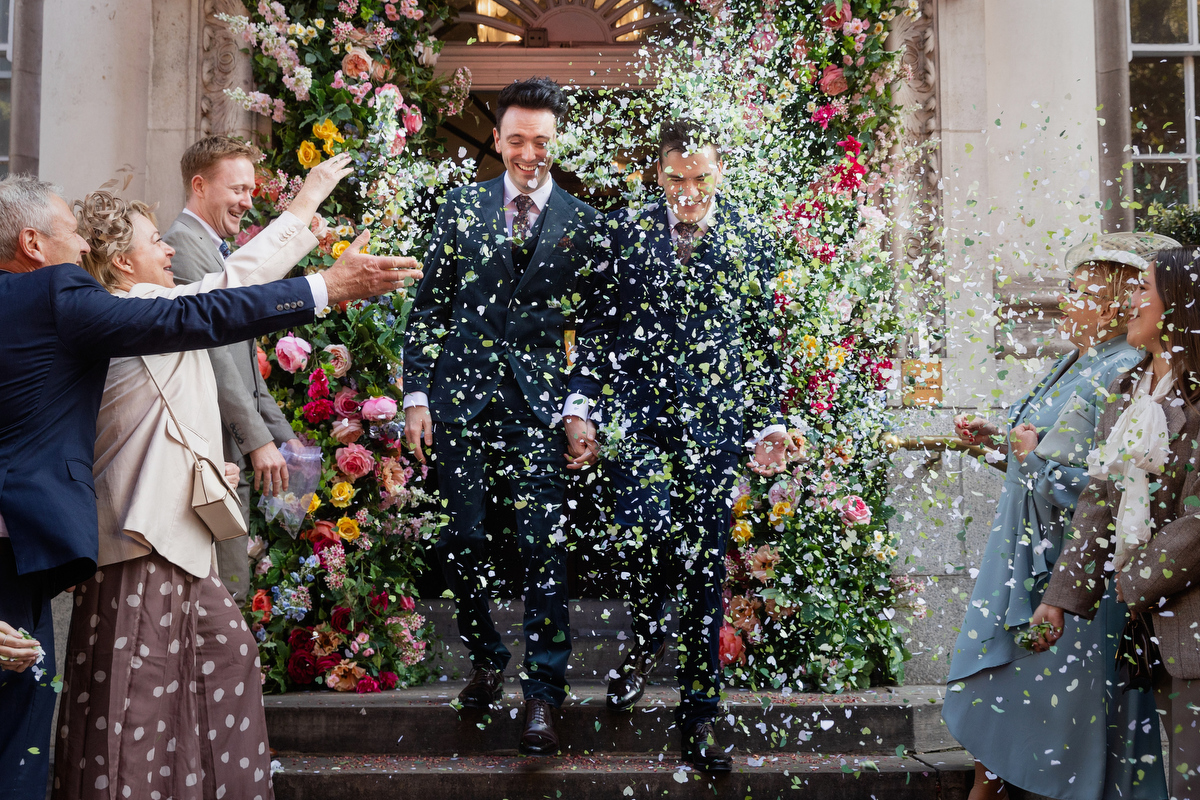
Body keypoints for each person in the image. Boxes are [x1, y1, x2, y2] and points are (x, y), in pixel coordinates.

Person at [0, 173, 417, 800]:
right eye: (72, 235)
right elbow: (217, 299)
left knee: (43, 728)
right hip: (130, 540)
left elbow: (224, 288)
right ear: (34, 243)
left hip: (67, 548)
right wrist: (325, 286)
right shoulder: (77, 300)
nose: (81, 245)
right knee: (93, 721)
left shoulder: (73, 311)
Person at [566, 119, 789, 772]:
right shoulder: (627, 231)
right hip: (639, 428)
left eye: (700, 178)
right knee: (644, 542)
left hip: (715, 431)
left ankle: (698, 719)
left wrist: (768, 423)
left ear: (718, 171)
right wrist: (580, 407)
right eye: (675, 179)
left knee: (702, 569)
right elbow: (598, 326)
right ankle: (642, 642)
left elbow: (762, 338)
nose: (688, 191)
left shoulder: (750, 237)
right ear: (656, 175)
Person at [402, 77, 606, 755]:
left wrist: (580, 408)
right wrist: (418, 396)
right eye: (516, 139)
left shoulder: (583, 224)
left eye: (541, 142)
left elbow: (598, 332)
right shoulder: (460, 209)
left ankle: (543, 696)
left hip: (539, 410)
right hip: (461, 402)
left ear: (556, 142)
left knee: (542, 552)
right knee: (460, 540)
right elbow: (429, 308)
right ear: (497, 138)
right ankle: (487, 653)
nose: (528, 152)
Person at [943, 232, 1176, 800]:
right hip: (1029, 559)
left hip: (1069, 576)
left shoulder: (1121, 369)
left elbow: (1104, 489)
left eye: (1075, 291)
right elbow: (1045, 454)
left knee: (1043, 734)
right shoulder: (1081, 360)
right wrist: (1000, 445)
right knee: (997, 734)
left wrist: (1028, 460)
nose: (1062, 301)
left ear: (1112, 302)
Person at [1034, 245, 1200, 800]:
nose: (1129, 303)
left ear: (1177, 303)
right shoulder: (1127, 391)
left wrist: (1129, 584)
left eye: (1142, 289)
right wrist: (1060, 597)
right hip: (1157, 626)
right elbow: (1100, 500)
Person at [164, 136, 302, 605]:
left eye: (250, 190)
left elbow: (245, 358)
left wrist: (284, 437)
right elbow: (217, 355)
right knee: (221, 590)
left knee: (231, 584)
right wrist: (257, 439)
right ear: (199, 186)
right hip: (212, 443)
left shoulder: (216, 248)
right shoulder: (181, 248)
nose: (247, 201)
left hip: (231, 440)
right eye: (237, 189)